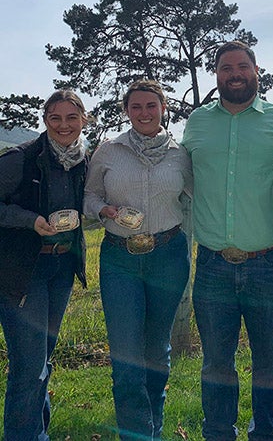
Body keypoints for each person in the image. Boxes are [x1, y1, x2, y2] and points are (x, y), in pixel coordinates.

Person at [182, 41, 273, 440]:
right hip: (213, 264)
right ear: (216, 74)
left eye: (242, 66)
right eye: (225, 68)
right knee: (216, 363)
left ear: (256, 70)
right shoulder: (197, 122)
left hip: (269, 263)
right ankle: (218, 433)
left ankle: (267, 434)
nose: (234, 73)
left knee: (270, 361)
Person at [84, 79, 192, 441]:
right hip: (120, 259)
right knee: (127, 359)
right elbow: (89, 197)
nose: (144, 113)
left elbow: (199, 198)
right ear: (126, 111)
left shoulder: (181, 154)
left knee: (156, 354)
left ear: (164, 108)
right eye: (136, 107)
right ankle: (135, 435)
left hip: (169, 256)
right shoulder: (108, 151)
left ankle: (153, 431)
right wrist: (103, 210)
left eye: (151, 106)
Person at [0, 90, 88, 440]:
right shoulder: (19, 159)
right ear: (45, 120)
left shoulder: (84, 160)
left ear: (84, 119)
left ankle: (37, 433)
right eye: (55, 118)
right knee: (28, 366)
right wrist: (29, 220)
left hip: (61, 269)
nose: (63, 125)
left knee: (42, 361)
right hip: (24, 271)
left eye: (71, 118)